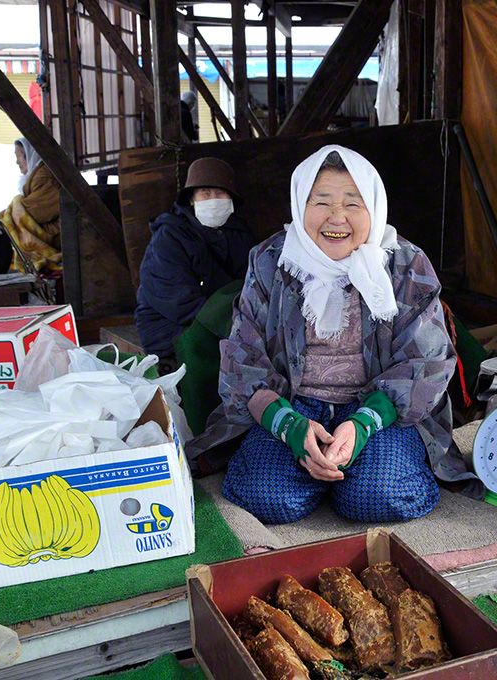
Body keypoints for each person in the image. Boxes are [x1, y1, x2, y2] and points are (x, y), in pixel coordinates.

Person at [195, 145, 467, 525]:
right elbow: (242, 355)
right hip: (295, 404)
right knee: (263, 498)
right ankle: (318, 470)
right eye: (321, 202)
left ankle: (348, 475)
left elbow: (429, 360)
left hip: (376, 410)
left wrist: (365, 422)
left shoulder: (405, 264)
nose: (336, 218)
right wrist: (286, 423)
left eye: (353, 204)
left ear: (374, 206)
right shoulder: (273, 260)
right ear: (300, 205)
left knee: (378, 497)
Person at [135, 157, 254, 371]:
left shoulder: (240, 233)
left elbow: (251, 284)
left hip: (222, 320)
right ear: (191, 199)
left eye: (220, 194)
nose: (213, 199)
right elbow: (179, 301)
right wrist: (237, 326)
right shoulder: (169, 236)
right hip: (171, 326)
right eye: (205, 193)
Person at [0, 138, 63, 274]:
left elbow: (31, 214)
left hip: (59, 233)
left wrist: (2, 220)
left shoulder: (44, 177)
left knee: (13, 247)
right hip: (54, 229)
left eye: (18, 156)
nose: (16, 162)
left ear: (29, 155)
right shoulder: (37, 174)